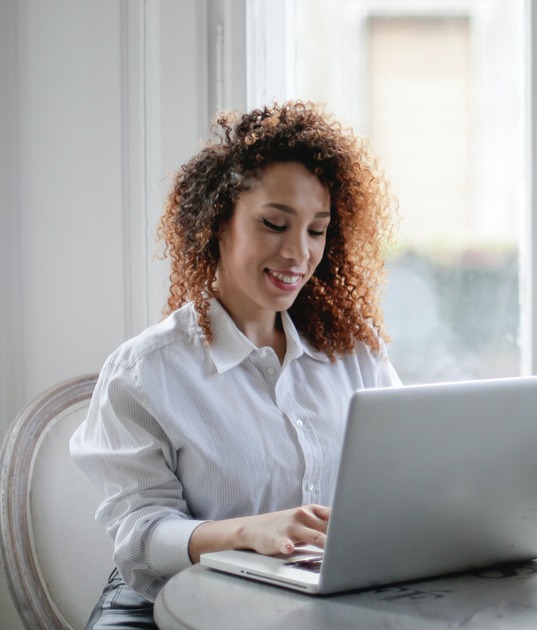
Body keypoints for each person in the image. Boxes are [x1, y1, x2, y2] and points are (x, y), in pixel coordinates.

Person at [70, 100, 401, 628]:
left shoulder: (355, 354)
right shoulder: (144, 373)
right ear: (217, 223)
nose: (298, 253)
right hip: (171, 604)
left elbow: (402, 477)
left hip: (320, 602)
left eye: (317, 230)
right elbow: (138, 540)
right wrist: (246, 532)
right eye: (274, 223)